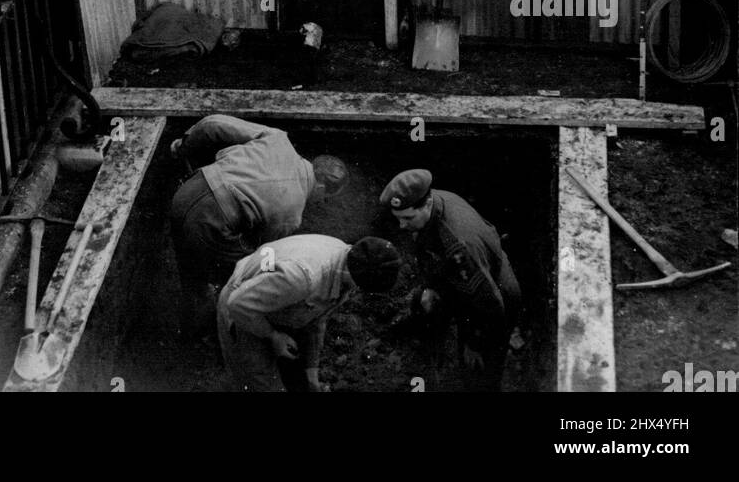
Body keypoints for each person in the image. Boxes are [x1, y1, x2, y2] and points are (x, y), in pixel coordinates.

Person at [169, 115, 349, 336]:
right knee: (240, 274)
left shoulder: (277, 138)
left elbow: (212, 125)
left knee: (189, 262)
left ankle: (193, 306)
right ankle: (210, 327)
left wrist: (183, 147)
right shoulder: (292, 215)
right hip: (211, 223)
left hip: (186, 193)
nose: (321, 202)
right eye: (325, 198)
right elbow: (262, 255)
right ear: (320, 187)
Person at [380, 168, 521, 391]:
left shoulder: (459, 245)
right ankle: (433, 341)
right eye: (399, 218)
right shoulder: (435, 199)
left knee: (478, 371)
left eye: (408, 218)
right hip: (462, 279)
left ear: (425, 205)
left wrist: (474, 344)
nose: (402, 226)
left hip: (494, 299)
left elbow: (489, 303)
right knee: (423, 301)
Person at [217, 234, 402, 392]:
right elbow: (238, 304)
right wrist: (273, 336)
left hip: (275, 299)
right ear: (354, 278)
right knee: (260, 383)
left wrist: (311, 369)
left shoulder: (348, 259)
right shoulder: (304, 279)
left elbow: (317, 320)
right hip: (243, 308)